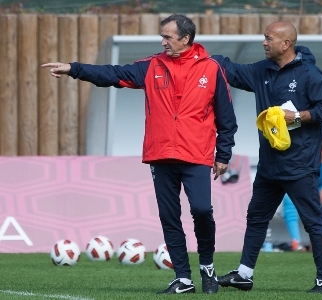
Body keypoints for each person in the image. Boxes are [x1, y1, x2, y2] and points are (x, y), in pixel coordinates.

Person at [42, 14, 237, 295]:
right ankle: (183, 278)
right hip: (160, 154)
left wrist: (224, 153)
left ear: (185, 39)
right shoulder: (152, 66)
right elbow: (112, 74)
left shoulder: (212, 68)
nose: (163, 41)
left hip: (197, 154)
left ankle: (207, 267)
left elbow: (226, 117)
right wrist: (74, 68)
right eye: (162, 36)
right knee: (169, 217)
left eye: (168, 37)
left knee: (202, 210)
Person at [212, 21, 322, 293]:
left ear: (286, 44)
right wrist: (198, 54)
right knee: (256, 217)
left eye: (268, 38)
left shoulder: (310, 74)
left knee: (312, 222)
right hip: (270, 165)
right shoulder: (262, 70)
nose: (263, 42)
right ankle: (244, 275)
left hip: (300, 165)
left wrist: (299, 116)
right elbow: (231, 71)